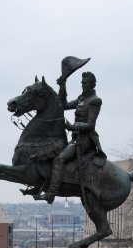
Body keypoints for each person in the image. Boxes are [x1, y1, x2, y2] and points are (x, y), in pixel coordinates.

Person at [35, 71, 106, 204]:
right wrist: (63, 85)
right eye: (82, 83)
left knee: (59, 159)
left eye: (85, 83)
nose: (83, 85)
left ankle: (51, 193)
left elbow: (90, 125)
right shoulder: (81, 99)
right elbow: (64, 105)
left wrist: (72, 127)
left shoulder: (95, 101)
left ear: (92, 84)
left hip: (86, 140)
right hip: (75, 138)